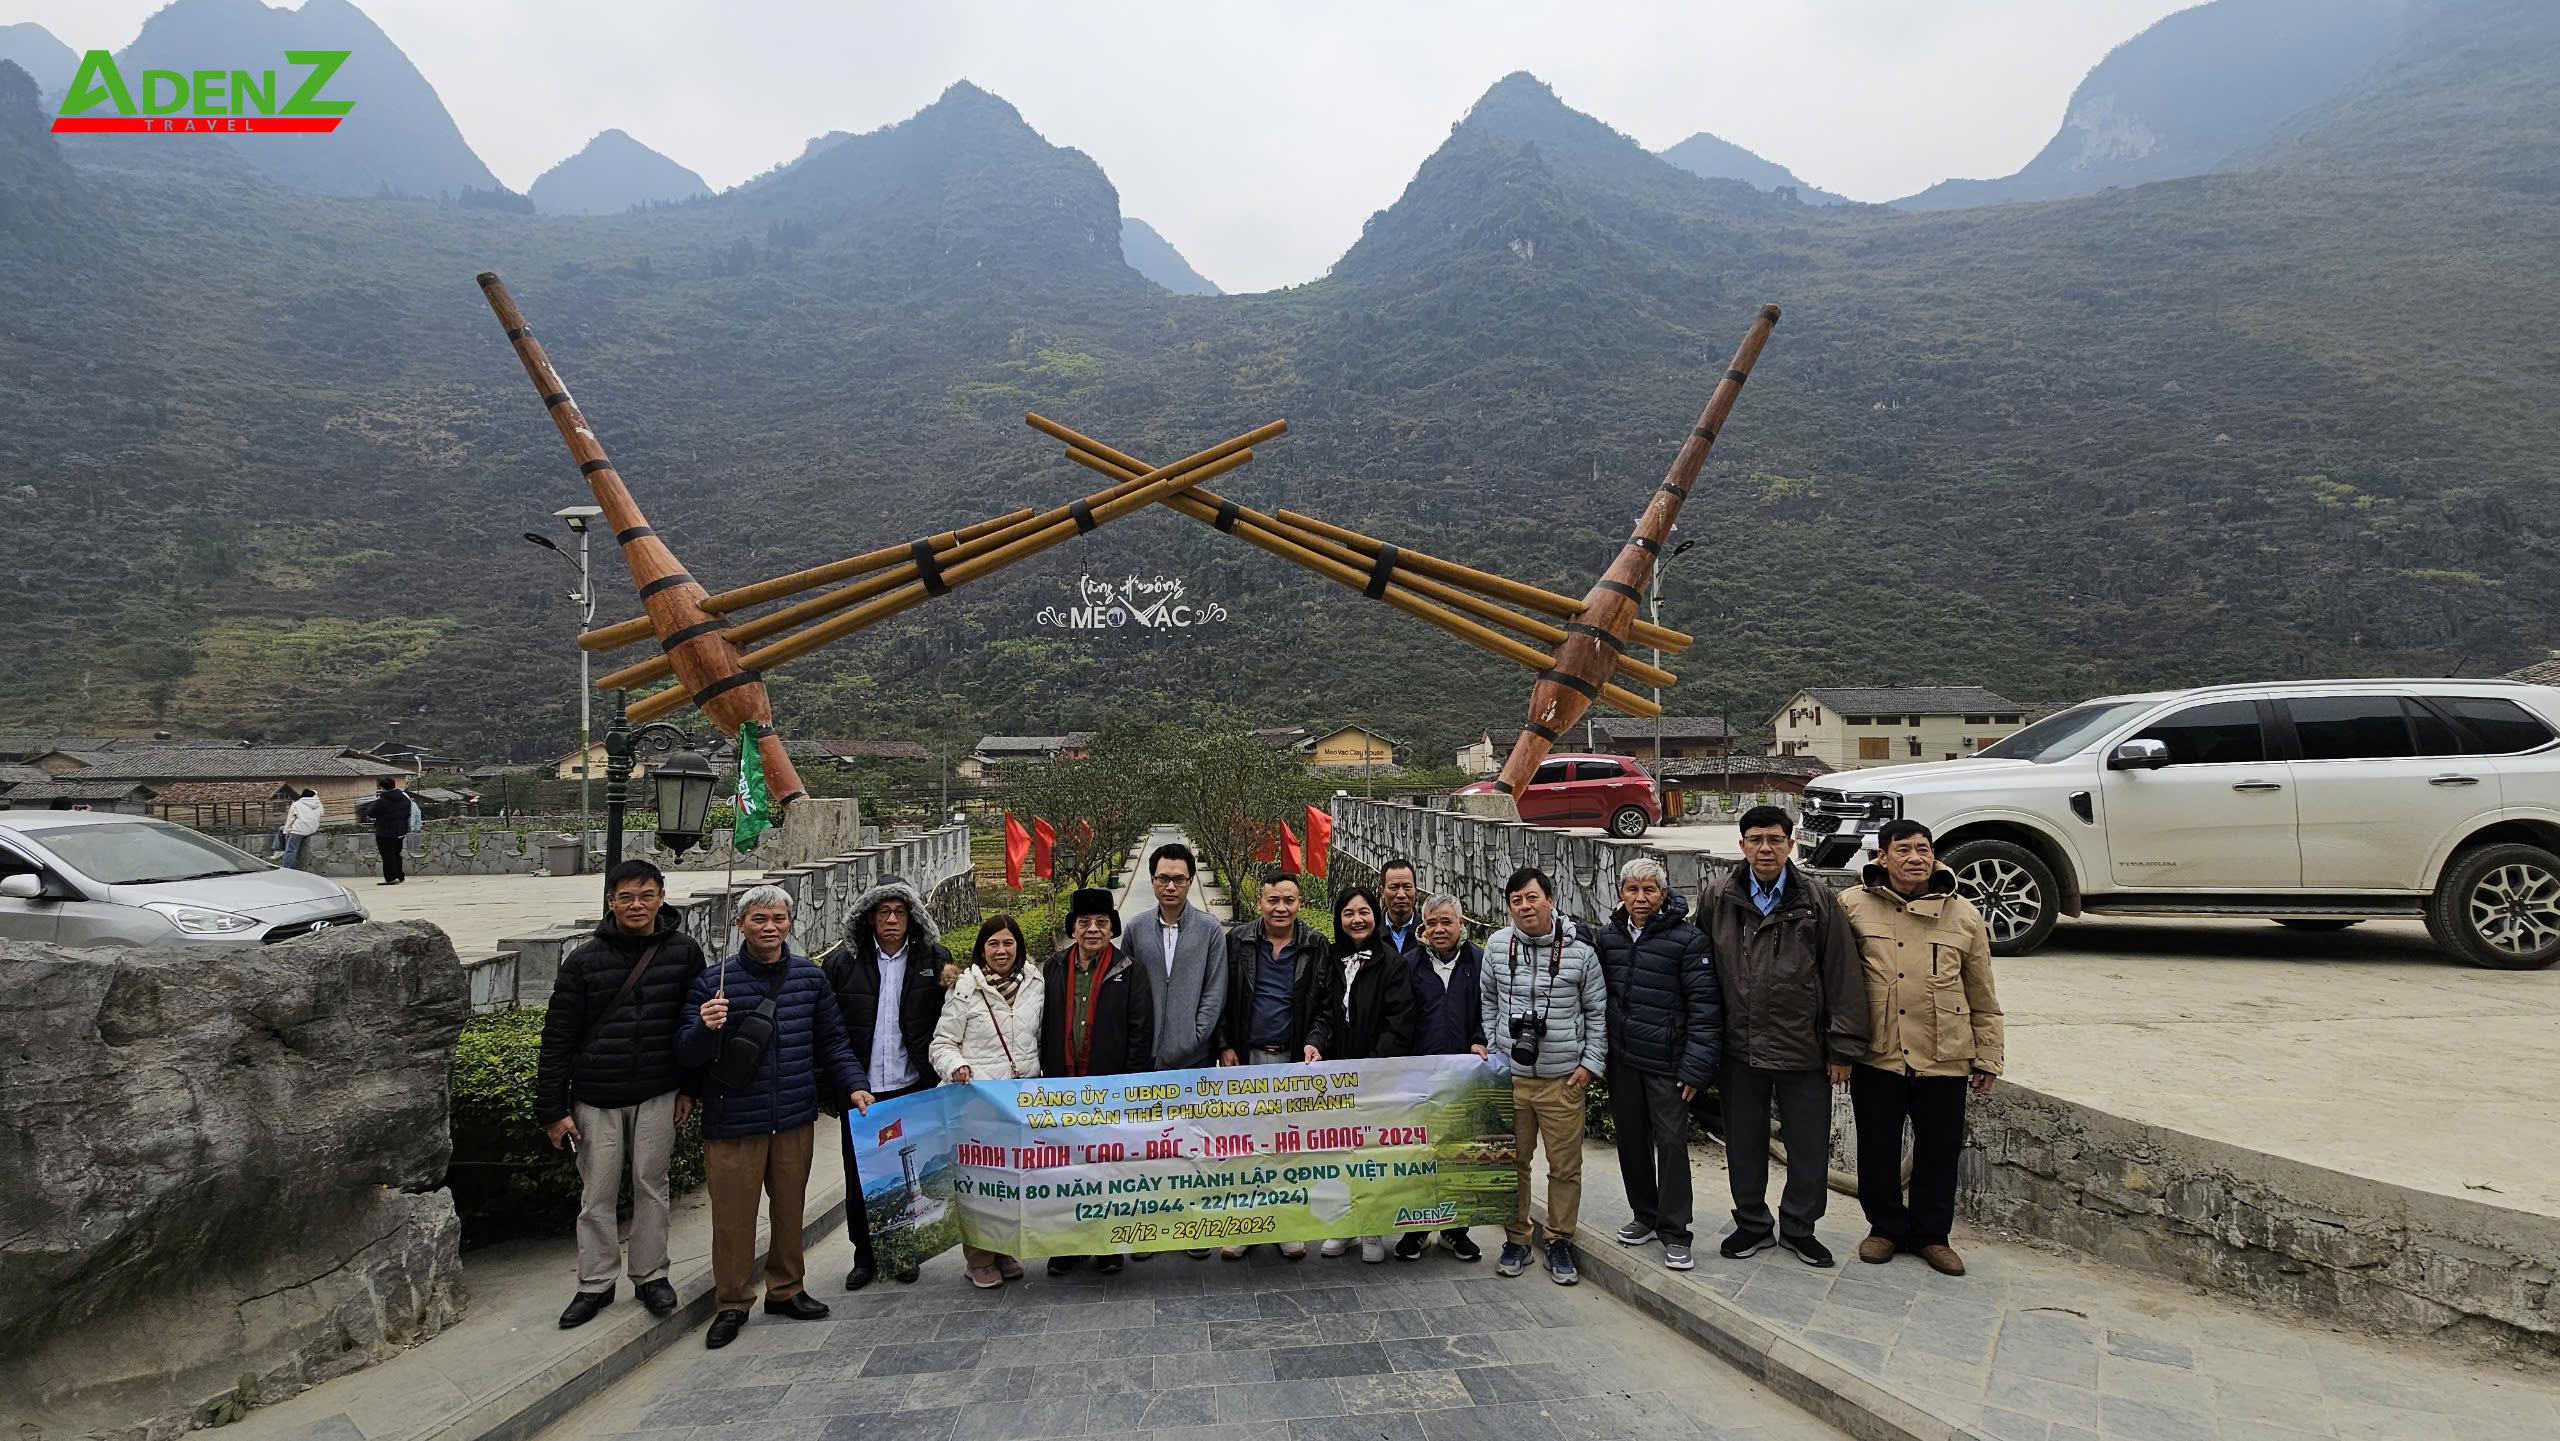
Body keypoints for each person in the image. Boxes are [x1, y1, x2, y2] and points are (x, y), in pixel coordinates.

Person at [676, 885, 872, 1350]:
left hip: (792, 1116)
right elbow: (685, 1053)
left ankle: (786, 1288)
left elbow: (833, 1041)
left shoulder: (809, 978)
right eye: (760, 919)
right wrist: (706, 1026)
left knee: (790, 1210)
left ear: (790, 923)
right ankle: (732, 1301)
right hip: (733, 1120)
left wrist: (854, 1083)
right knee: (733, 1218)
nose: (769, 927)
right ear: (741, 924)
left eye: (778, 919)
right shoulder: (713, 983)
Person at [535, 859, 709, 1328]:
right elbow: (557, 1037)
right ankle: (595, 1283)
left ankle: (651, 1274)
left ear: (661, 897)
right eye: (627, 897)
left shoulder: (685, 953)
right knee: (598, 1193)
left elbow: (695, 1025)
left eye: (647, 895)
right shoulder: (584, 961)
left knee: (652, 1186)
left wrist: (690, 1088)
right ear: (611, 901)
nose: (637, 905)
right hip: (596, 1096)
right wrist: (553, 1109)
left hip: (657, 1091)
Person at [1705, 805, 1868, 1268]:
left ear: (1790, 844)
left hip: (1804, 1048)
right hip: (1739, 1047)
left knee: (1809, 1146)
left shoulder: (1816, 900)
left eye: (1774, 840)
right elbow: (1701, 974)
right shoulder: (1719, 897)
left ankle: (1799, 1227)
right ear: (1742, 846)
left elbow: (1842, 975)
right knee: (1744, 1141)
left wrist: (1842, 1047)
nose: (1765, 848)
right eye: (1755, 840)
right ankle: (1752, 1223)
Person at [1839, 820, 2003, 1276]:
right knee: (1878, 1146)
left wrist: (1988, 1055)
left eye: (1923, 849)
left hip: (1944, 1054)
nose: (1915, 857)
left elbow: (1983, 994)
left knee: (1939, 1149)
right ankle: (1884, 1228)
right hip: (1879, 1052)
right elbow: (1837, 980)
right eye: (1904, 849)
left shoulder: (1964, 915)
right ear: (1882, 857)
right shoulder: (1852, 907)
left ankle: (1933, 1235)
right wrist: (1837, 1047)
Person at [1476, 866, 1607, 1285]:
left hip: (1562, 1080)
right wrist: (1497, 1051)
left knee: (1564, 1166)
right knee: (1513, 1163)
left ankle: (1559, 1239)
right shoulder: (1497, 946)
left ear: (1550, 899)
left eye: (1532, 897)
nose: (1525, 906)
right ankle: (1517, 1238)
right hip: (1512, 1077)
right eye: (1516, 900)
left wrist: (1591, 1063)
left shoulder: (1580, 952)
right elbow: (1489, 1001)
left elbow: (1597, 1012)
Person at [1592, 857, 1721, 1271]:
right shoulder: (1609, 938)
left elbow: (1705, 1007)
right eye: (1632, 889)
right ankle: (1644, 1214)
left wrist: (1695, 1068)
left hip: (1667, 1062)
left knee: (1670, 1144)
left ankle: (1676, 1230)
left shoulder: (1687, 940)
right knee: (1631, 1140)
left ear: (1664, 895)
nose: (1641, 897)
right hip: (1624, 1059)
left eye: (1650, 889)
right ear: (1621, 894)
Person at [822, 878, 950, 1290]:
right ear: (869, 918)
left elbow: (947, 1022)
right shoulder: (843, 963)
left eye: (899, 912)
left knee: (904, 1174)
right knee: (860, 1174)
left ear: (912, 917)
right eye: (883, 913)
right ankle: (864, 1254)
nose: (891, 920)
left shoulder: (933, 958)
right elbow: (829, 1031)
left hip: (910, 1083)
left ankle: (903, 1251)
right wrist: (837, 1087)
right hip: (861, 1087)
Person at [1215, 867, 1332, 1261]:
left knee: (1288, 1146)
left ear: (1300, 904)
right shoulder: (1238, 942)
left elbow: (1326, 1006)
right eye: (1273, 900)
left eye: (1289, 900)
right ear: (1260, 902)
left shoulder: (1316, 945)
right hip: (1247, 1059)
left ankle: (1286, 1224)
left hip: (1292, 1059)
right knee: (1245, 1145)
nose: (1281, 908)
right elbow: (1221, 997)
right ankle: (1246, 1224)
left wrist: (1315, 1041)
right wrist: (1225, 1043)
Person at [1040, 886, 1156, 1276]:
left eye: (1101, 923)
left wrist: (1132, 1085)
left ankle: (1107, 1244)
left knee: (1108, 1169)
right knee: (1066, 1170)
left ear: (1112, 928)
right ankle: (1068, 1245)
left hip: (1110, 1089)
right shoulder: (1053, 967)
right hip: (1063, 1085)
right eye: (1084, 923)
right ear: (1073, 928)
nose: (1093, 930)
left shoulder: (1130, 970)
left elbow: (1141, 1032)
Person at [927, 913, 1043, 1289]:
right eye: (993, 943)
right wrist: (956, 1065)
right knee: (980, 1183)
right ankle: (977, 1257)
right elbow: (941, 1043)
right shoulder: (964, 989)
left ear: (1019, 947)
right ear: (982, 949)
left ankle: (1004, 1248)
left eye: (1008, 942)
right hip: (977, 1103)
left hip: (1019, 1101)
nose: (1001, 950)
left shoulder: (1035, 984)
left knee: (1012, 1181)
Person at [1318, 884, 1417, 1262]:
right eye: (1348, 913)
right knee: (1340, 1151)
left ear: (1374, 916)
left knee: (1372, 1154)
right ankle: (1344, 1226)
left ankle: (1373, 1227)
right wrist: (1318, 1045)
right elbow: (1325, 1012)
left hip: (1376, 1077)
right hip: (1335, 1077)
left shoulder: (1390, 962)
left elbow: (1399, 1022)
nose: (1356, 919)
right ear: (1339, 920)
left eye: (1363, 912)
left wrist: (1372, 1069)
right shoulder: (1330, 959)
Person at [1395, 892, 1486, 1262]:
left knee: (1458, 1154)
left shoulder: (1479, 961)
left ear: (1461, 924)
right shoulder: (1409, 963)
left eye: (1446, 922)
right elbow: (1400, 1016)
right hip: (1420, 1078)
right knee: (1418, 1154)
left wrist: (1480, 1040)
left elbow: (1490, 1009)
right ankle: (1416, 1230)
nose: (1438, 930)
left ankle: (1454, 1229)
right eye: (1431, 923)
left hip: (1465, 1076)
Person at [1125, 841, 1229, 1071]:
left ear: (1190, 882)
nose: (1170, 886)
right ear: (1152, 880)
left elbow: (1215, 990)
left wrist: (1195, 1036)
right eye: (1163, 878)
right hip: (1145, 1056)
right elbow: (1126, 988)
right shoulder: (1136, 928)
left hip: (1195, 1059)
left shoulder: (1209, 929)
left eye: (1179, 879)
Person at [364, 777, 414, 885]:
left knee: (387, 855)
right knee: (396, 853)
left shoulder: (382, 800)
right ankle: (400, 876)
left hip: (385, 831)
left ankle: (391, 878)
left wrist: (375, 801)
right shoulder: (404, 798)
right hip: (400, 829)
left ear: (382, 788)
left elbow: (370, 812)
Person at [1377, 858, 1424, 954]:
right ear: (1382, 892)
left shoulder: (1428, 930)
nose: (1401, 895)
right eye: (1394, 887)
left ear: (1416, 890)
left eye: (1407, 887)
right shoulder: (1371, 932)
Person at [280, 789, 325, 871]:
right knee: (283, 831)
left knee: (291, 850)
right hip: (312, 829)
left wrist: (286, 832)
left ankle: (286, 869)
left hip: (299, 830)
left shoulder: (297, 804)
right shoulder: (319, 804)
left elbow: (290, 819)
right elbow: (321, 813)